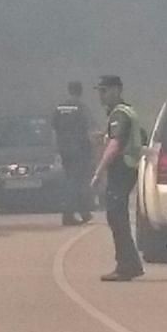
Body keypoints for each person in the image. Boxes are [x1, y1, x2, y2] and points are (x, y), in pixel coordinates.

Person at [90, 75, 145, 282]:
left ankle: (125, 265)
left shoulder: (119, 115)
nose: (101, 96)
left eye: (104, 91)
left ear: (116, 90)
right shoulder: (126, 111)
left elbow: (115, 145)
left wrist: (99, 171)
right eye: (100, 91)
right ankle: (130, 263)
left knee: (116, 218)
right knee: (117, 216)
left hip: (121, 169)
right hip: (128, 168)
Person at [52, 81, 94, 226]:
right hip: (79, 150)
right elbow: (89, 129)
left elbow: (54, 129)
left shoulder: (59, 107)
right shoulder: (81, 108)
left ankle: (79, 213)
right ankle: (73, 214)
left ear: (69, 90)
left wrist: (57, 148)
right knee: (78, 182)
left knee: (70, 180)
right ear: (80, 91)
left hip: (64, 150)